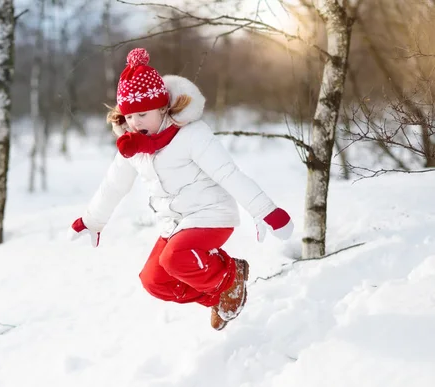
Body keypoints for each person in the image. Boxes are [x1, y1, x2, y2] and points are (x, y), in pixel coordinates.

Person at [69, 48, 293, 330]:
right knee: (154, 281)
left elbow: (228, 174)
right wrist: (92, 221)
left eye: (142, 114)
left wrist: (265, 211)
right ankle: (218, 294)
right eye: (129, 116)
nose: (135, 123)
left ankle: (229, 278)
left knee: (174, 258)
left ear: (162, 107)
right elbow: (113, 185)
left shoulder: (191, 135)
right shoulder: (133, 147)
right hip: (175, 224)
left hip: (211, 216)